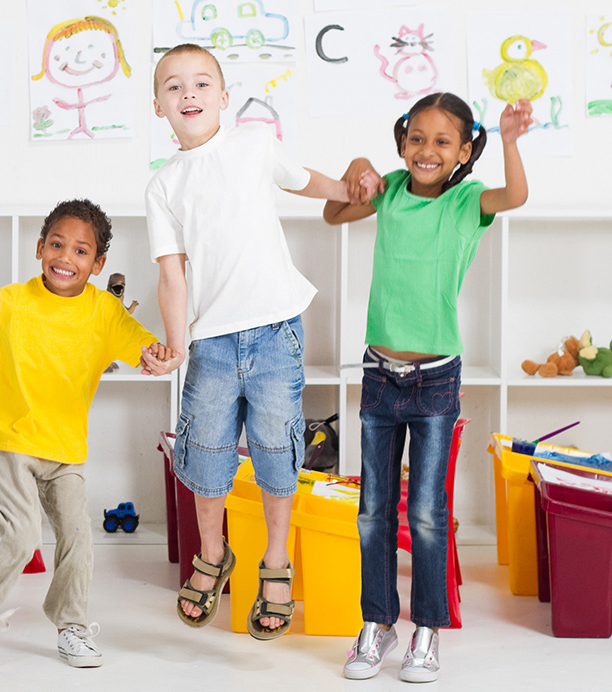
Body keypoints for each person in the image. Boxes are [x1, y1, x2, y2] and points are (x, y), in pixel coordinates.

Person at [0, 199, 176, 671]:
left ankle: (71, 626)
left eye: (82, 251)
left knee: (79, 537)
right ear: (40, 248)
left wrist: (159, 355)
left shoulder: (105, 312)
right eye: (57, 244)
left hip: (65, 448)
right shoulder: (14, 302)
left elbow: (145, 347)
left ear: (98, 264)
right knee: (22, 537)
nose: (66, 257)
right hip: (12, 439)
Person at [143, 43, 367, 641]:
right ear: (158, 106)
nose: (187, 94)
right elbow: (172, 274)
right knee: (206, 457)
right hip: (211, 342)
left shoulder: (252, 144)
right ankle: (213, 556)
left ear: (221, 95)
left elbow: (304, 181)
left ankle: (275, 562)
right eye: (173, 86)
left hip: (275, 330)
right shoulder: (164, 185)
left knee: (275, 452)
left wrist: (347, 190)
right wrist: (174, 345)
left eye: (199, 83)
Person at [323, 92, 531, 682]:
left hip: (437, 379)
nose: (427, 150)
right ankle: (377, 624)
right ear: (402, 142)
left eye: (443, 142)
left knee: (427, 514)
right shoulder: (388, 189)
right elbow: (334, 215)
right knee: (372, 511)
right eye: (416, 138)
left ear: (464, 151)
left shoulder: (468, 200)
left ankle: (427, 633)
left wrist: (512, 142)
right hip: (378, 374)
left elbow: (515, 196)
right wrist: (358, 169)